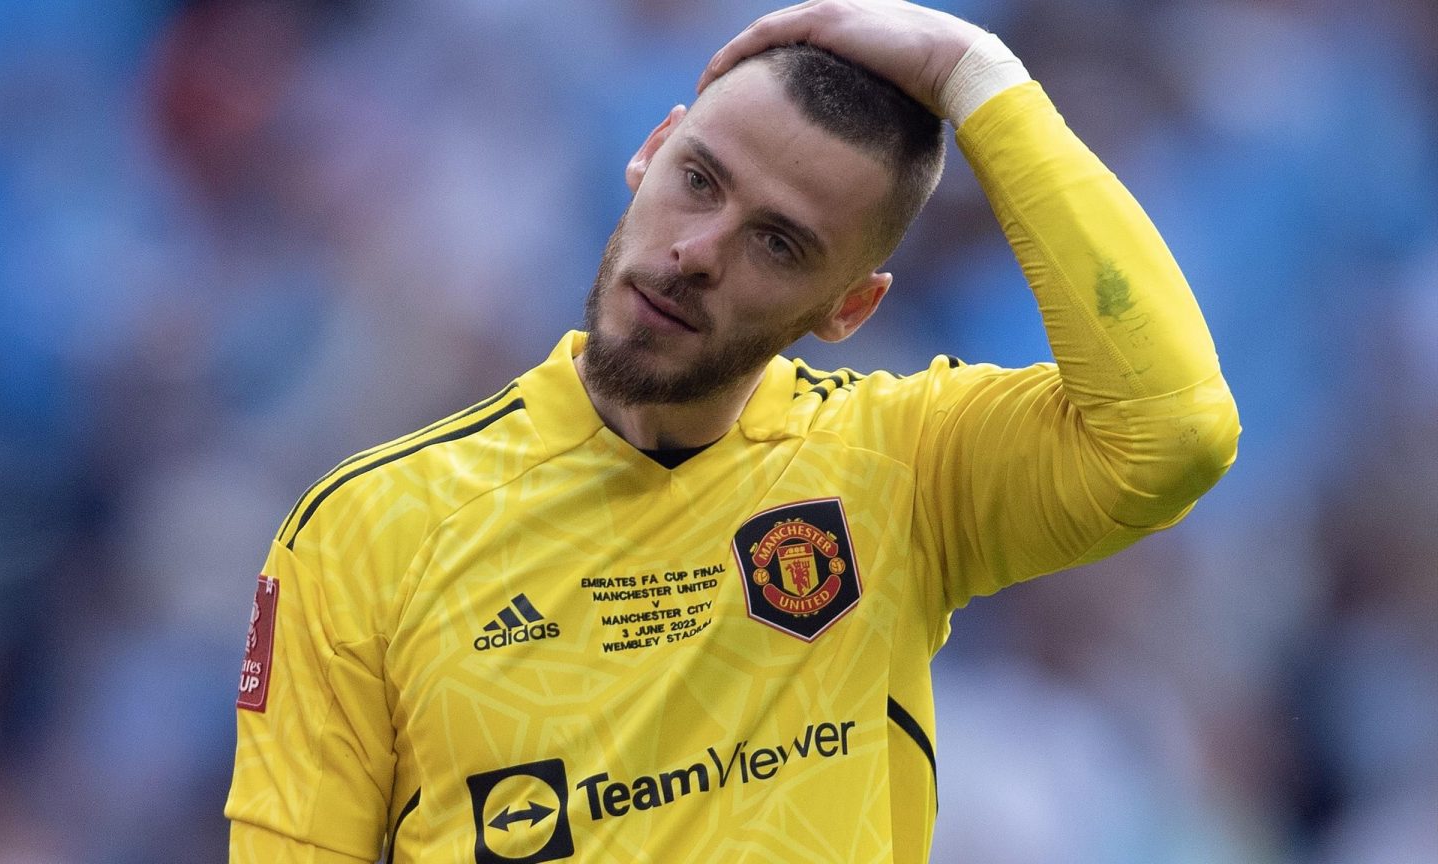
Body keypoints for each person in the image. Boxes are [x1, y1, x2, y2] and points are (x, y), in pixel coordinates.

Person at [225, 1, 1240, 861]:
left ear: (850, 308)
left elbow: (1173, 431)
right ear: (651, 149)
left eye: (778, 243)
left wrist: (975, 75)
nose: (700, 253)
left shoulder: (903, 470)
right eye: (699, 181)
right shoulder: (367, 532)